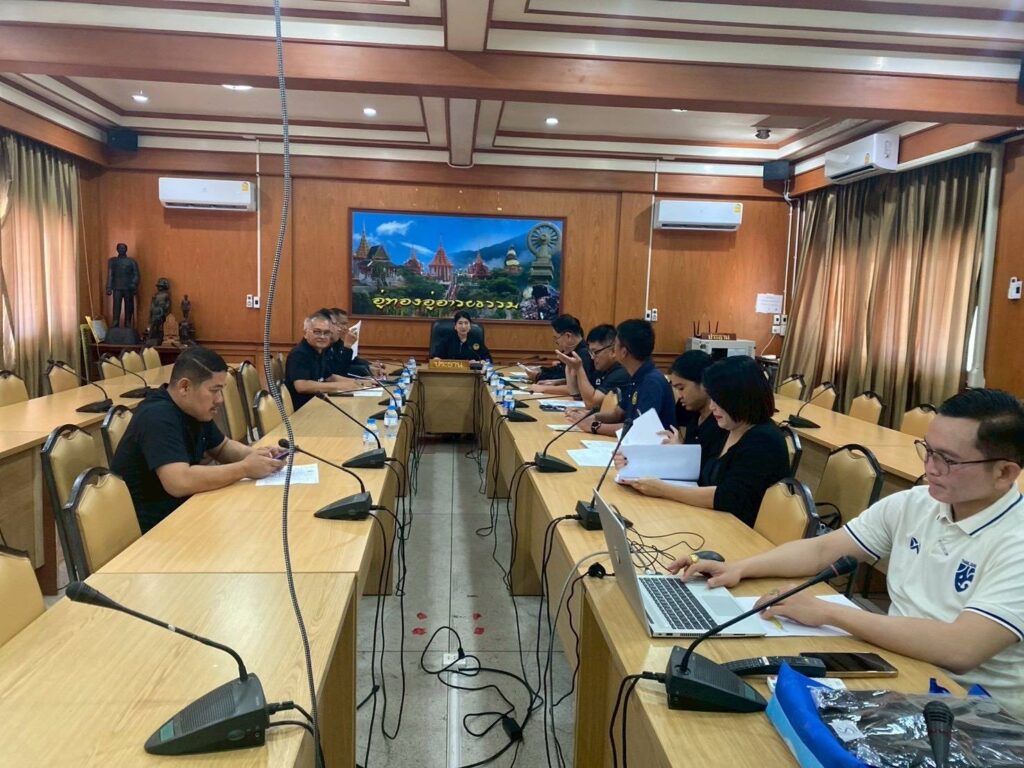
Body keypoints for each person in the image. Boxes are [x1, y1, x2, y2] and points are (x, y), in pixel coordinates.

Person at [671, 388, 1024, 719]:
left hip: (979, 714)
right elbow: (823, 549)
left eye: (948, 460)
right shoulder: (916, 503)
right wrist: (739, 567)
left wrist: (829, 612)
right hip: (899, 665)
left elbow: (960, 649)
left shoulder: (1016, 540)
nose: (930, 468)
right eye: (928, 451)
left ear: (1004, 473)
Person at [111, 345, 285, 533]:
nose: (220, 399)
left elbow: (222, 447)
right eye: (214, 390)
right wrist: (245, 468)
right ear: (184, 387)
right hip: (152, 528)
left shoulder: (193, 408)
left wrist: (259, 456)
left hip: (184, 511)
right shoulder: (157, 416)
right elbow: (179, 482)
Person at [617, 355, 789, 527]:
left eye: (718, 400)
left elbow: (727, 497)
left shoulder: (763, 440)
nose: (712, 407)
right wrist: (635, 464)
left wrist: (663, 490)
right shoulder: (731, 427)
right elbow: (701, 473)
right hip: (711, 519)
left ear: (739, 398)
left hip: (737, 529)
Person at [567, 318, 674, 437]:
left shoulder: (652, 382)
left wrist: (594, 426)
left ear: (623, 352)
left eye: (615, 345)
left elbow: (638, 429)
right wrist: (590, 417)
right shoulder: (635, 376)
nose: (613, 349)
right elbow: (618, 414)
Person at [661, 350, 728, 471]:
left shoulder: (723, 423)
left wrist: (681, 451)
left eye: (681, 388)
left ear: (704, 383)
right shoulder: (693, 414)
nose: (679, 395)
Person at [285, 311, 366, 409]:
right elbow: (302, 386)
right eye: (317, 332)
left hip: (320, 403)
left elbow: (329, 377)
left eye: (326, 333)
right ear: (305, 333)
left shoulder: (320, 350)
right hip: (304, 409)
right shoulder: (299, 353)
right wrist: (340, 386)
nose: (322, 337)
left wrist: (359, 383)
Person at [555, 323, 629, 409]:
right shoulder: (601, 370)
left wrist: (579, 368)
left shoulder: (620, 373)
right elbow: (576, 394)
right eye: (591, 352)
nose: (592, 357)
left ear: (613, 351)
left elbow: (591, 404)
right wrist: (569, 366)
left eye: (595, 352)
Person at [529, 315, 594, 394]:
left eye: (556, 338)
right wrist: (556, 382)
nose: (557, 342)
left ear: (568, 336)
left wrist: (544, 388)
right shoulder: (575, 351)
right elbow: (571, 379)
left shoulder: (583, 354)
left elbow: (578, 388)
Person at [328, 307, 384, 379]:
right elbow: (339, 371)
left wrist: (369, 365)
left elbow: (351, 360)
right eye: (343, 324)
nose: (345, 328)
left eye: (346, 324)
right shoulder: (323, 345)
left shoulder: (337, 342)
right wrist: (347, 346)